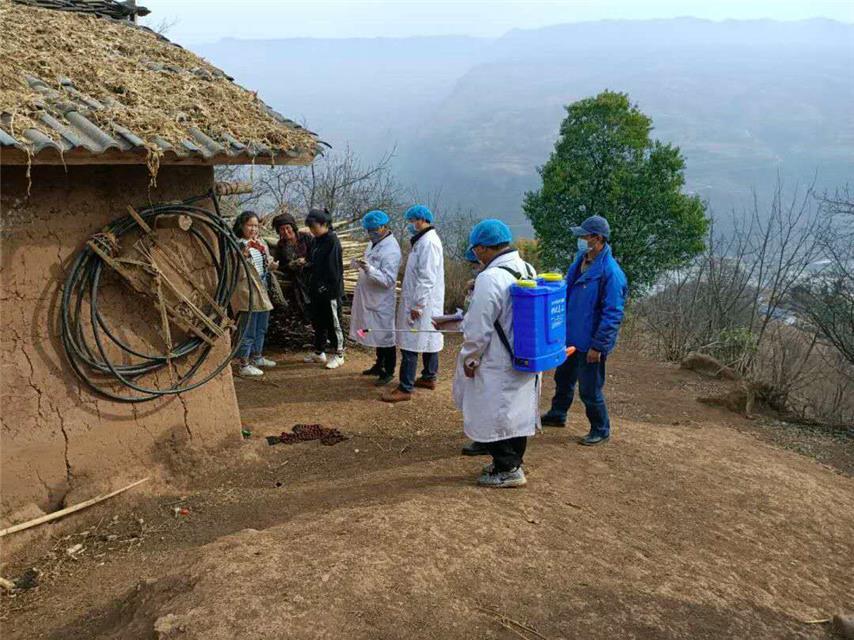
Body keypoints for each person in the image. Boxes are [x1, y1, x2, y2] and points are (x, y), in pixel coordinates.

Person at [452, 219, 538, 488]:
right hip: (522, 355)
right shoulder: (526, 268)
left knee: (492, 413)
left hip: (497, 359)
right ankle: (511, 462)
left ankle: (508, 468)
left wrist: (470, 357)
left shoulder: (490, 277)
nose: (475, 254)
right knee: (516, 414)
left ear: (483, 249)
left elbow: (478, 328)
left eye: (476, 249)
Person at [541, 215, 628, 445]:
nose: (580, 239)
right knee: (563, 379)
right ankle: (557, 414)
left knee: (589, 390)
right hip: (571, 337)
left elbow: (613, 313)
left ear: (597, 238)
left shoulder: (611, 273)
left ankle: (601, 428)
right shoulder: (581, 259)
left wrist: (598, 346)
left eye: (584, 236)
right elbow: (566, 290)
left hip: (590, 343)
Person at [382, 204, 445, 403]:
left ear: (421, 220)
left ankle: (405, 387)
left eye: (411, 221)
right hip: (425, 301)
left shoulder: (428, 243)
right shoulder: (424, 241)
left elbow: (426, 277)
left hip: (422, 302)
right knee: (428, 337)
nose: (410, 224)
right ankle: (429, 376)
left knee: (411, 342)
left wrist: (418, 305)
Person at [350, 210, 402, 386]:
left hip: (381, 300)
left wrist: (369, 269)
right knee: (374, 332)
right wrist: (359, 264)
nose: (370, 233)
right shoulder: (373, 243)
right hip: (369, 297)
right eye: (368, 230)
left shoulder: (391, 249)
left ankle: (389, 370)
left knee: (385, 335)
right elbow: (369, 261)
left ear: (383, 227)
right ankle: (379, 364)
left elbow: (388, 280)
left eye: (373, 229)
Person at [232, 210, 277, 377]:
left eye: (256, 226)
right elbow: (233, 268)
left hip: (262, 286)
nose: (253, 229)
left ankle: (257, 356)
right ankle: (244, 363)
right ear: (241, 226)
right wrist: (242, 255)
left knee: (261, 325)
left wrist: (272, 265)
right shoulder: (237, 244)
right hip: (247, 289)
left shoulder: (261, 243)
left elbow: (266, 263)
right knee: (248, 327)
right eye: (250, 225)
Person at [303, 209, 346, 370]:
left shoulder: (332, 241)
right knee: (318, 322)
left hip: (330, 290)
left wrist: (326, 287)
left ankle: (339, 354)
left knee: (333, 323)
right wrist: (306, 264)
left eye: (314, 227)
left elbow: (334, 270)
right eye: (311, 227)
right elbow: (314, 261)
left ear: (325, 225)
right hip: (316, 289)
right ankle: (319, 351)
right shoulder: (317, 240)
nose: (312, 230)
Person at [270, 210, 314, 322]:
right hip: (297, 281)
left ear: (293, 227)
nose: (285, 231)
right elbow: (280, 266)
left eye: (287, 228)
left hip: (313, 277)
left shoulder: (306, 238)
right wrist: (290, 265)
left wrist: (306, 260)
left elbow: (317, 255)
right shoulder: (281, 246)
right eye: (281, 229)